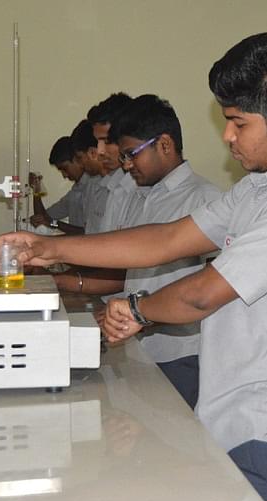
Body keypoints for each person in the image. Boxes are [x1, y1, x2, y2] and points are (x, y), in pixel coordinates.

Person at [0, 32, 267, 501]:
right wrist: (50, 248)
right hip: (234, 414)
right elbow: (168, 238)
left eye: (238, 123)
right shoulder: (260, 188)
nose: (227, 136)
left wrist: (135, 310)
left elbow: (203, 293)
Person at [106, 93, 221, 409]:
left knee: (180, 434)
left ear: (165, 145)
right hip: (140, 345)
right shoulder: (142, 197)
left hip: (182, 353)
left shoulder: (204, 199)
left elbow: (213, 290)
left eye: (132, 154)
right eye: (123, 157)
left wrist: (144, 314)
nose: (127, 165)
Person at [53, 93, 136, 295]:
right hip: (111, 297)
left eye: (106, 141)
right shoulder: (115, 187)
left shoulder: (135, 189)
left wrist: (64, 280)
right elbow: (101, 249)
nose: (99, 151)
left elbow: (126, 268)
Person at [29, 136, 87, 235]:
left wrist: (53, 223)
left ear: (77, 159)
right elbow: (43, 218)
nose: (64, 175)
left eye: (65, 168)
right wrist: (36, 189)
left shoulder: (95, 187)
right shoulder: (75, 192)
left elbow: (89, 233)